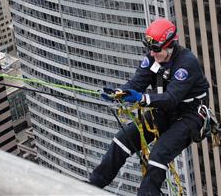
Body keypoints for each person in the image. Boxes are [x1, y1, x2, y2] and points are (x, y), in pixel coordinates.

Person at [89, 18, 210, 195]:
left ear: (170, 45)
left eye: (156, 49)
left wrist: (142, 99)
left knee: (158, 154)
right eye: (149, 49)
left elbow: (171, 98)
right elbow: (137, 83)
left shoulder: (186, 63)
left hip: (188, 116)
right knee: (122, 139)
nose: (152, 54)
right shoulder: (152, 59)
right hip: (163, 112)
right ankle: (94, 184)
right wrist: (119, 92)